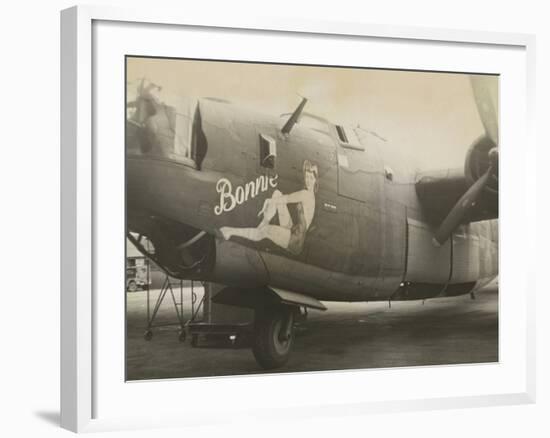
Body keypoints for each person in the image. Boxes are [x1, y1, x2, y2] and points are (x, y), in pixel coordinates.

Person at [219, 160, 318, 255]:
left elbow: (287, 198)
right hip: (292, 230)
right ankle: (261, 227)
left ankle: (230, 231)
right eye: (307, 177)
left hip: (293, 241)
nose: (308, 181)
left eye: (311, 178)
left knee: (264, 230)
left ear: (316, 180)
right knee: (277, 193)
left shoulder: (306, 195)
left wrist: (268, 201)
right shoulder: (309, 194)